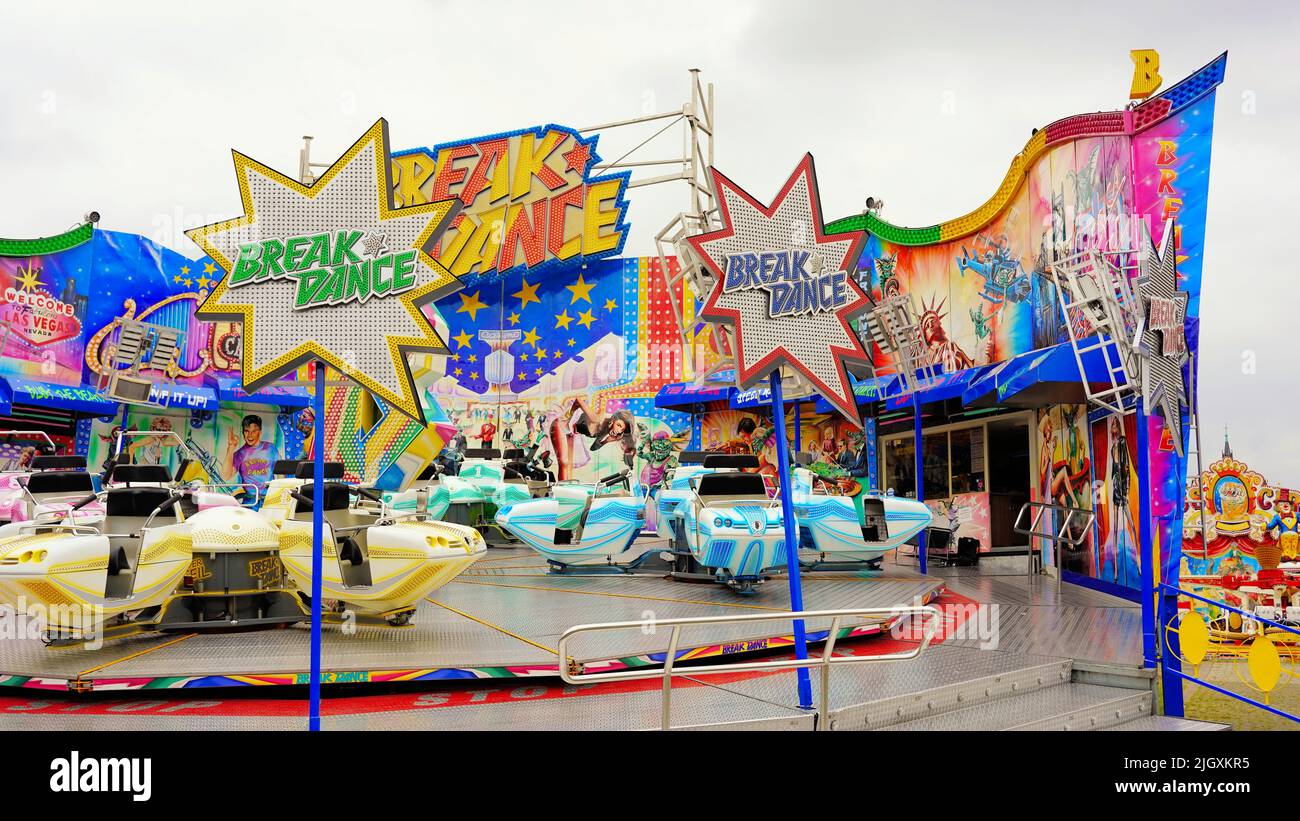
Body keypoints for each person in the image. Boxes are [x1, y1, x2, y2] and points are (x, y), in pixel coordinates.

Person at [223, 414, 275, 488]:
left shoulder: (270, 448)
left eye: (254, 431)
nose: (250, 435)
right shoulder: (240, 454)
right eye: (247, 431)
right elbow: (225, 476)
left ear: (260, 432)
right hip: (249, 498)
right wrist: (231, 447)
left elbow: (280, 473)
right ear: (243, 433)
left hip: (270, 497)